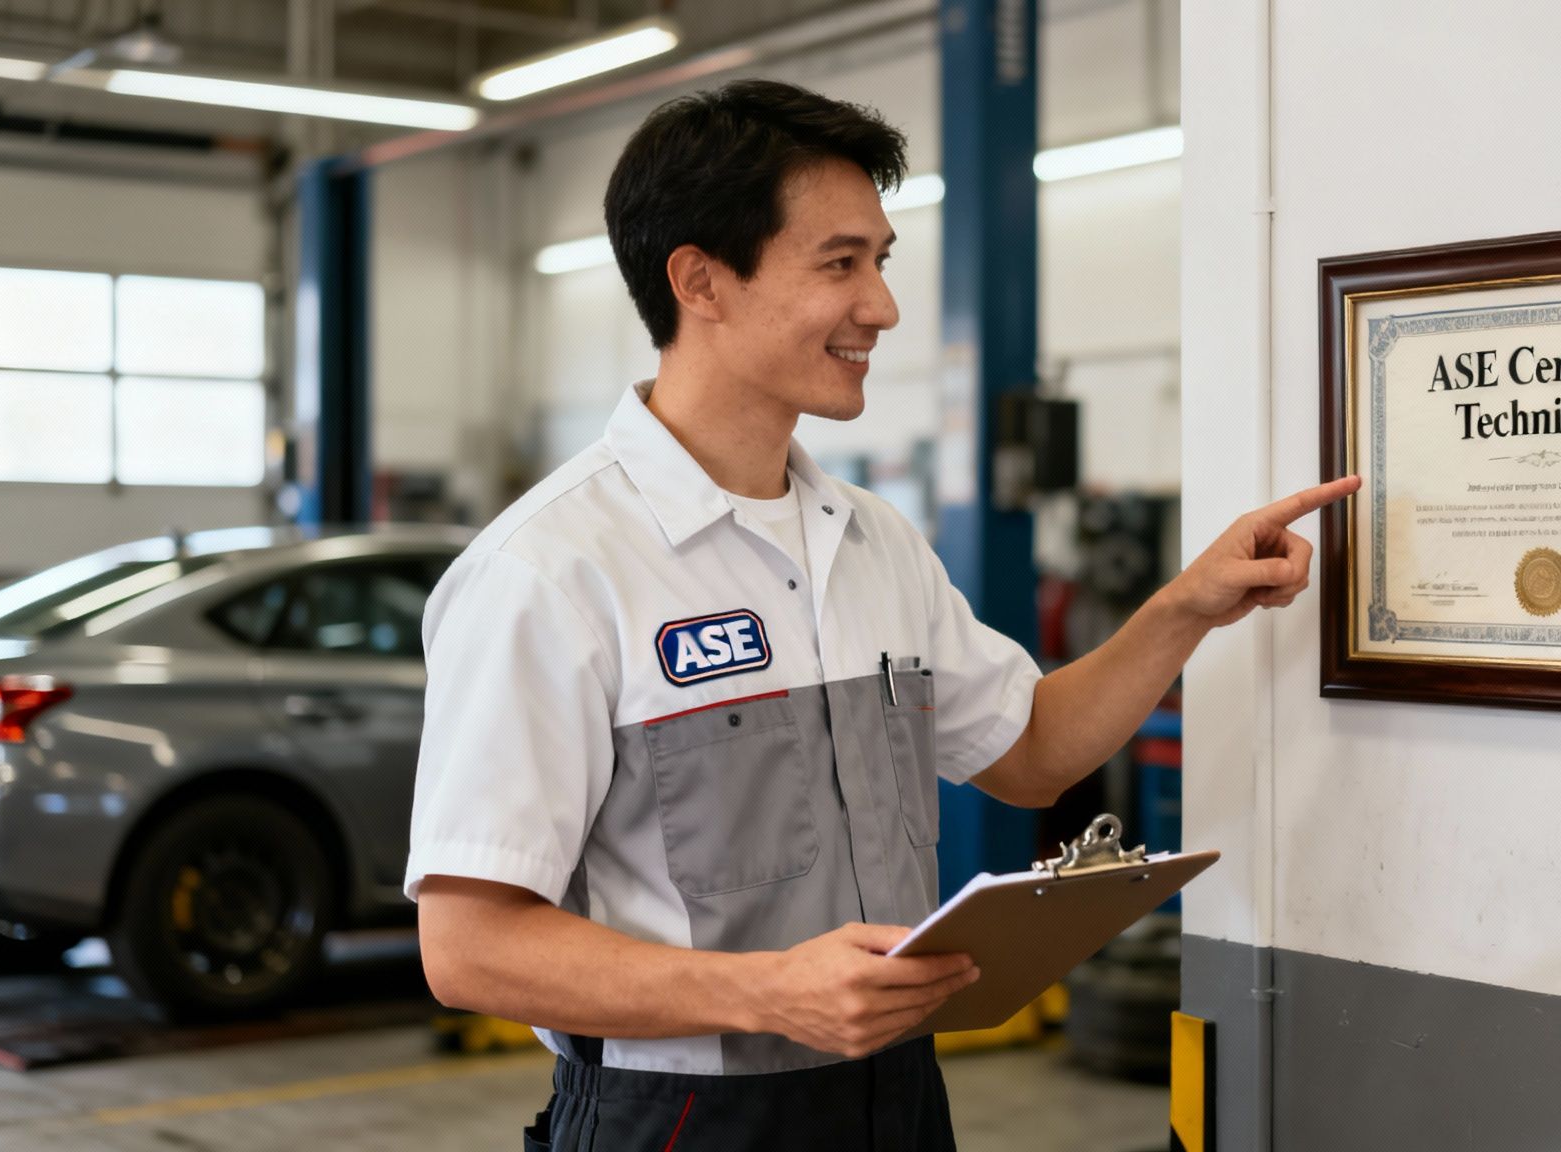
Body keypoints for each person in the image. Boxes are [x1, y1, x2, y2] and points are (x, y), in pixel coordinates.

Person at [407, 78, 1357, 1151]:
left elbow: (1031, 752)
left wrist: (1185, 606)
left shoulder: (872, 542)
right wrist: (766, 993)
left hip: (897, 1100)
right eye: (839, 263)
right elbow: (469, 946)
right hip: (677, 1118)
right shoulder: (551, 571)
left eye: (881, 261)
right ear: (700, 280)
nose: (883, 308)